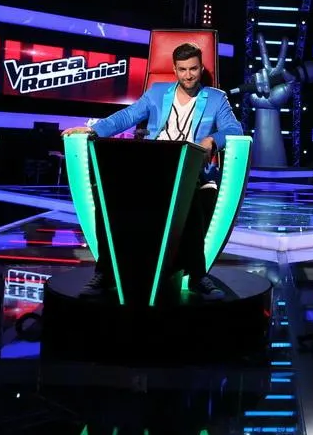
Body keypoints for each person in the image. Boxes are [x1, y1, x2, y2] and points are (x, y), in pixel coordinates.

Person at [63, 42, 243, 300]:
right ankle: (106, 272)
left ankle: (197, 276)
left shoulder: (216, 98)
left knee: (190, 196)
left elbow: (234, 129)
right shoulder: (158, 92)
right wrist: (94, 129)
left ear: (201, 68)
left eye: (193, 69)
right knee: (106, 194)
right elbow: (127, 116)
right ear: (174, 69)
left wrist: (211, 140)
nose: (188, 75)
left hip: (189, 166)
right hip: (153, 163)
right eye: (182, 69)